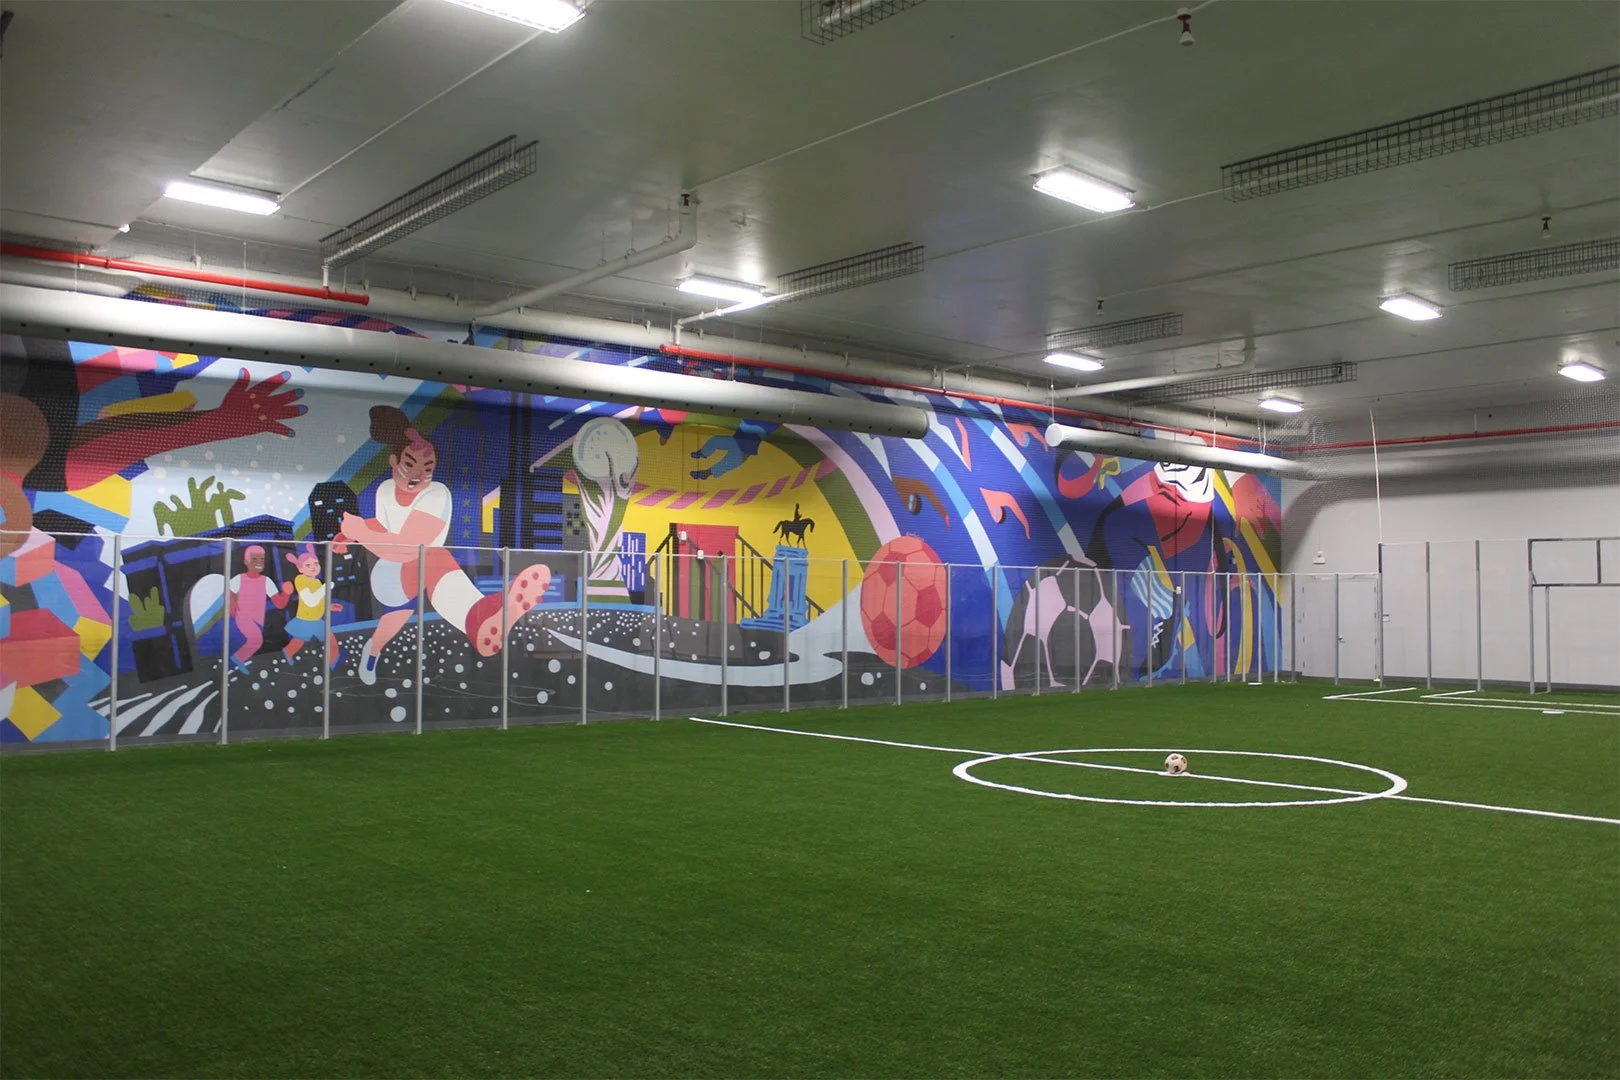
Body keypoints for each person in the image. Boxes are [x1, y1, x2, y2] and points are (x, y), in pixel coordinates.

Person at [338, 406, 548, 685]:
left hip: (417, 566)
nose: (418, 474)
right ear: (393, 460)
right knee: (433, 557)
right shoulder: (385, 490)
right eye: (409, 463)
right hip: (388, 573)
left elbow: (409, 546)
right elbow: (386, 529)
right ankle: (479, 617)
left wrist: (359, 531)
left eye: (428, 468)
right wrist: (351, 533)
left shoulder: (437, 495)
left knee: (398, 612)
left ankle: (372, 653)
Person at [280, 545, 344, 669]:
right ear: (300, 568)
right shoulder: (300, 580)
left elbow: (318, 601)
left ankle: (332, 666)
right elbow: (310, 601)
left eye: (316, 563)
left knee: (331, 642)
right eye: (308, 565)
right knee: (297, 642)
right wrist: (325, 588)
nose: (313, 567)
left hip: (316, 620)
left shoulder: (317, 582)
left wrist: (329, 607)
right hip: (305, 621)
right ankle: (286, 655)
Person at [227, 545, 289, 674]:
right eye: (254, 559)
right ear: (246, 562)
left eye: (262, 559)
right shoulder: (239, 579)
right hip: (243, 618)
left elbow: (279, 604)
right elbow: (229, 593)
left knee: (256, 640)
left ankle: (238, 659)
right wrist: (232, 608)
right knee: (256, 640)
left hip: (258, 620)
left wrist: (287, 593)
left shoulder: (267, 581)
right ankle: (237, 658)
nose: (259, 563)